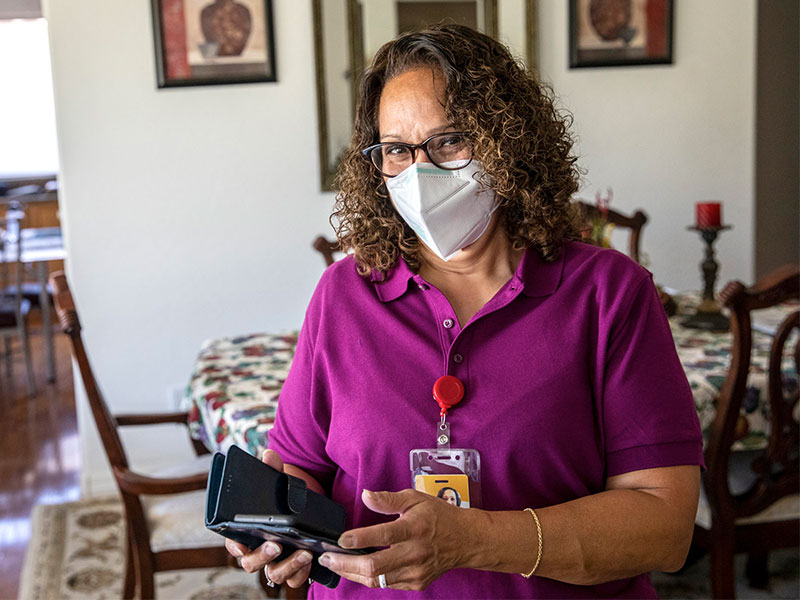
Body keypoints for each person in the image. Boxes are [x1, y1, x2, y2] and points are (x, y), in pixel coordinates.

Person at [226, 24, 703, 598]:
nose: (421, 173)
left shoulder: (609, 295)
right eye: (397, 150)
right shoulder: (342, 295)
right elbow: (299, 464)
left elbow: (665, 528)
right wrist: (280, 524)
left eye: (450, 140)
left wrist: (474, 540)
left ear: (509, 141)